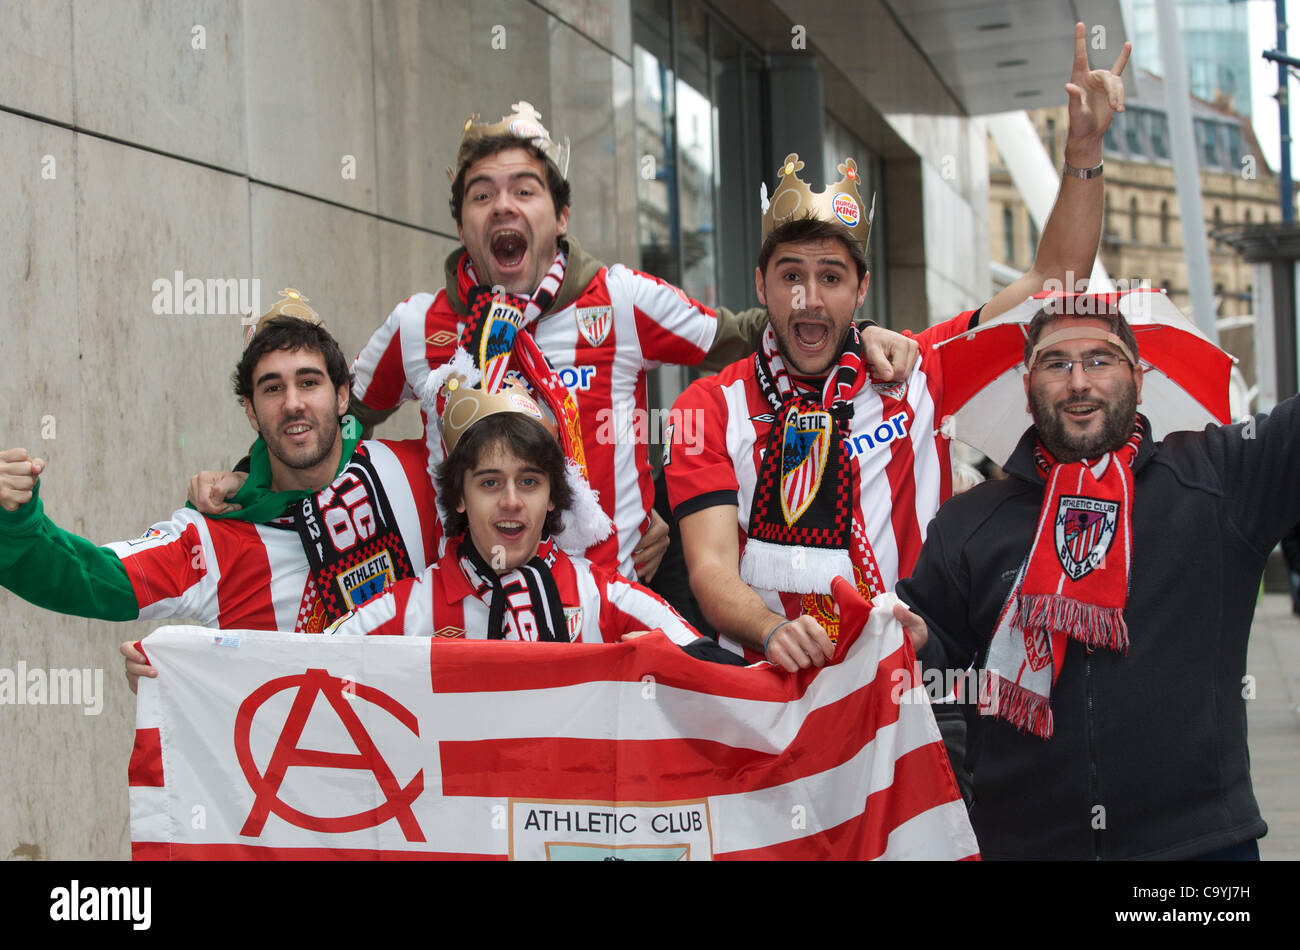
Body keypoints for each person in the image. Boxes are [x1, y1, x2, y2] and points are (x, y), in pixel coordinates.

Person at [189, 101, 920, 586]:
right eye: (482, 194)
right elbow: (324, 422)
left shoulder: (622, 299)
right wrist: (246, 477)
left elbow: (747, 334)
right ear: (462, 224)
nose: (503, 204)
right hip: (469, 615)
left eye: (525, 190)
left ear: (560, 215)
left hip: (611, 607)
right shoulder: (418, 324)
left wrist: (863, 331)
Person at [663, 23, 1128, 673]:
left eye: (830, 277)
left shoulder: (919, 367)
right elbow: (710, 566)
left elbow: (1057, 279)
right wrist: (772, 630)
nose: (809, 299)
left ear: (861, 290)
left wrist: (1083, 151)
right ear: (760, 284)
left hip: (916, 690)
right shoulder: (707, 406)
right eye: (791, 275)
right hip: (772, 695)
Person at [894, 296, 1300, 859]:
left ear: (1137, 375)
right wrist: (913, 643)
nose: (1079, 381)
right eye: (1056, 363)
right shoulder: (968, 522)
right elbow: (935, 661)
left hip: (1199, 854)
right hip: (1023, 847)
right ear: (1027, 382)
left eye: (1100, 360)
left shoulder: (1219, 479)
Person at [0, 294, 439, 691]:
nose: (292, 403)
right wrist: (16, 521)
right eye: (272, 388)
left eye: (309, 382)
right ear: (250, 410)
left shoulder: (417, 471)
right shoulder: (214, 539)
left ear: (343, 394)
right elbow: (91, 578)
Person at [329, 377, 745, 666]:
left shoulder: (603, 596)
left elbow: (718, 669)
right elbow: (302, 670)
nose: (512, 502)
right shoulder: (409, 609)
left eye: (529, 482)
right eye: (490, 483)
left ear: (552, 499)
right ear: (458, 497)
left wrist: (665, 665)